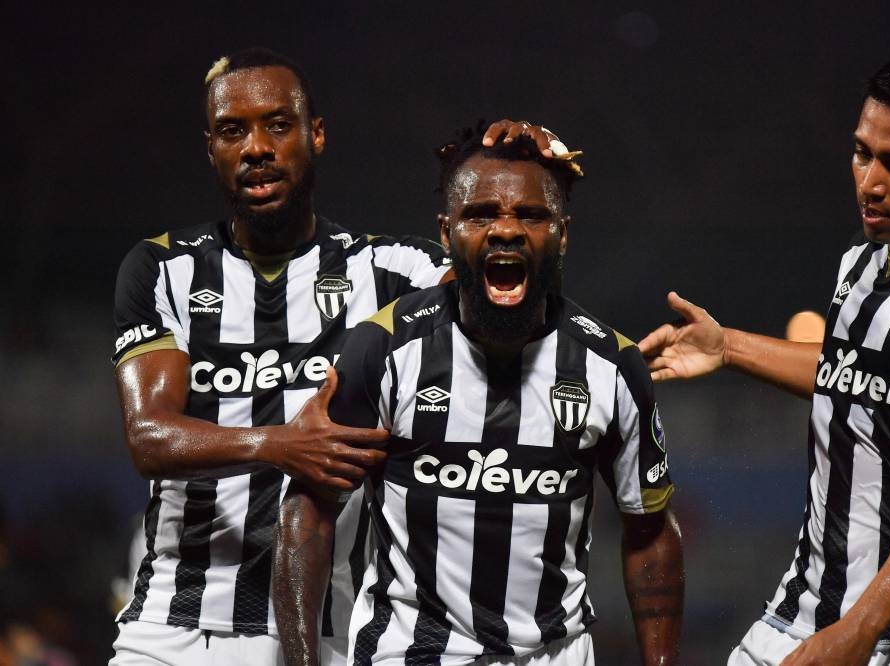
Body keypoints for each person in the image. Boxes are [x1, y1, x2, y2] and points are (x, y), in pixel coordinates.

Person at [110, 47, 557, 666]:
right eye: (232, 131)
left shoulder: (394, 269)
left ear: (315, 135)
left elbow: (509, 288)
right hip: (173, 631)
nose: (256, 147)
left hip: (334, 634)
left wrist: (524, 176)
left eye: (277, 124)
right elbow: (149, 438)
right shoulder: (162, 268)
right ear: (210, 148)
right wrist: (281, 444)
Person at [639, 49, 890, 665]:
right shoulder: (858, 263)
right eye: (863, 152)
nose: (870, 182)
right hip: (802, 612)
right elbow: (855, 374)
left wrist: (860, 628)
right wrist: (729, 345)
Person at [273, 129, 684, 665]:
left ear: (562, 234)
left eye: (532, 216)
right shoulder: (384, 348)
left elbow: (649, 533)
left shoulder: (613, 366)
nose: (506, 230)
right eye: (481, 213)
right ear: (447, 232)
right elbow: (308, 508)